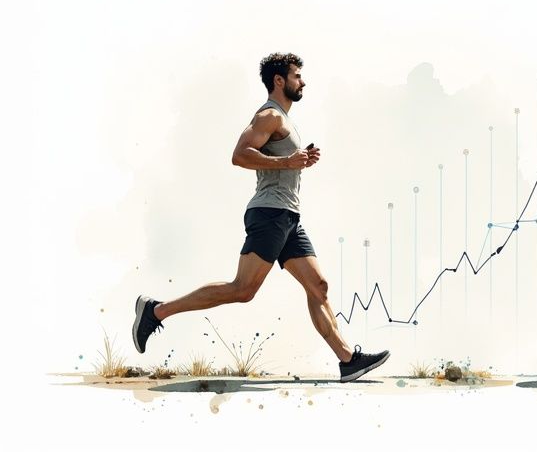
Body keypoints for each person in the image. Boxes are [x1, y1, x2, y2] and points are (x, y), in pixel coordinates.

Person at [132, 52, 390, 383]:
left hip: (289, 217)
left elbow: (279, 158)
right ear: (279, 80)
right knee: (243, 289)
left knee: (319, 287)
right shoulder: (269, 115)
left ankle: (348, 360)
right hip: (269, 213)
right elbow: (239, 155)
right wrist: (287, 163)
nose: (303, 81)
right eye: (297, 76)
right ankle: (156, 310)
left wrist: (298, 160)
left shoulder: (284, 119)